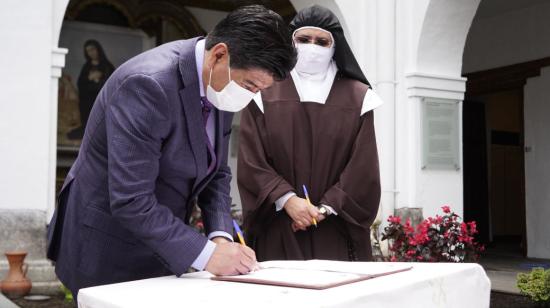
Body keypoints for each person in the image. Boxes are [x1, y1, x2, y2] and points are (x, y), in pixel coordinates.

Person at [47, 5, 296, 298]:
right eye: (250, 85)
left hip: (162, 242)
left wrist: (219, 235)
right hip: (108, 245)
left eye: (259, 90)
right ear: (219, 55)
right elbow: (131, 200)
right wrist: (208, 254)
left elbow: (217, 170)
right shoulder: (147, 85)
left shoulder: (222, 85)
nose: (250, 96)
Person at [238, 5, 383, 262]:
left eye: (321, 41)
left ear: (335, 46)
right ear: (291, 42)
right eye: (303, 39)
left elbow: (363, 168)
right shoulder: (264, 90)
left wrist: (325, 208)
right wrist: (289, 201)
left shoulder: (360, 97)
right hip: (280, 226)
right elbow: (252, 161)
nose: (312, 47)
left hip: (335, 229)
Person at [67, 40, 115, 140]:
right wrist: (90, 78)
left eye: (93, 49)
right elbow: (81, 84)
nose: (91, 53)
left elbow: (112, 83)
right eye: (88, 51)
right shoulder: (86, 66)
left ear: (98, 49)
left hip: (101, 101)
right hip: (88, 102)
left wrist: (99, 79)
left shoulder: (107, 66)